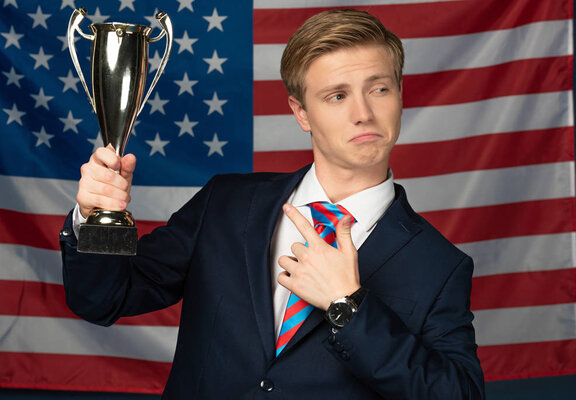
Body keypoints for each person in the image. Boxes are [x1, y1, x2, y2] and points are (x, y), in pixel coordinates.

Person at [60, 9, 485, 399]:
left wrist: (348, 305)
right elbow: (103, 300)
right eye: (337, 96)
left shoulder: (440, 265)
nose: (363, 113)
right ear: (301, 114)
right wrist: (93, 218)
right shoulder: (224, 204)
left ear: (400, 94)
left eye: (378, 89)